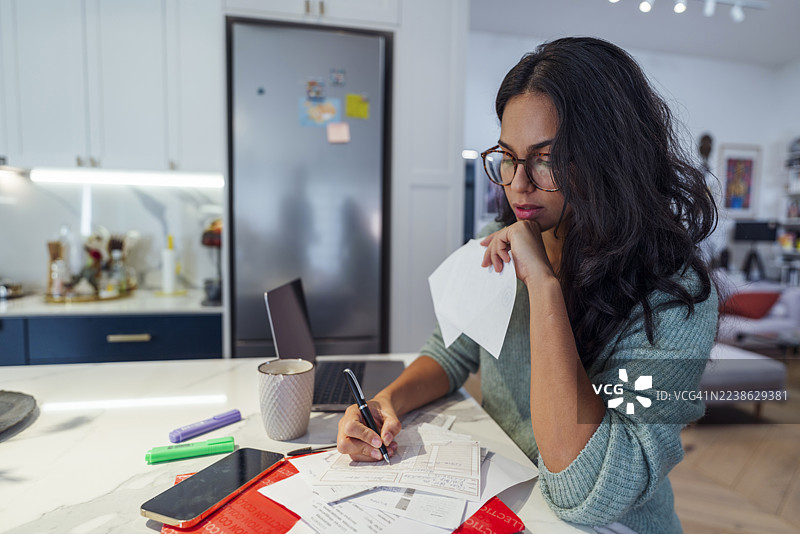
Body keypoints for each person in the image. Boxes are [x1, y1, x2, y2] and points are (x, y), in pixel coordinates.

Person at [337, 37, 718, 534]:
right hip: (510, 500)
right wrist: (388, 401)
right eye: (509, 157)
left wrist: (543, 285)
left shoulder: (674, 297)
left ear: (611, 158)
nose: (518, 184)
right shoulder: (495, 242)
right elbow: (452, 352)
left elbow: (581, 492)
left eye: (547, 159)